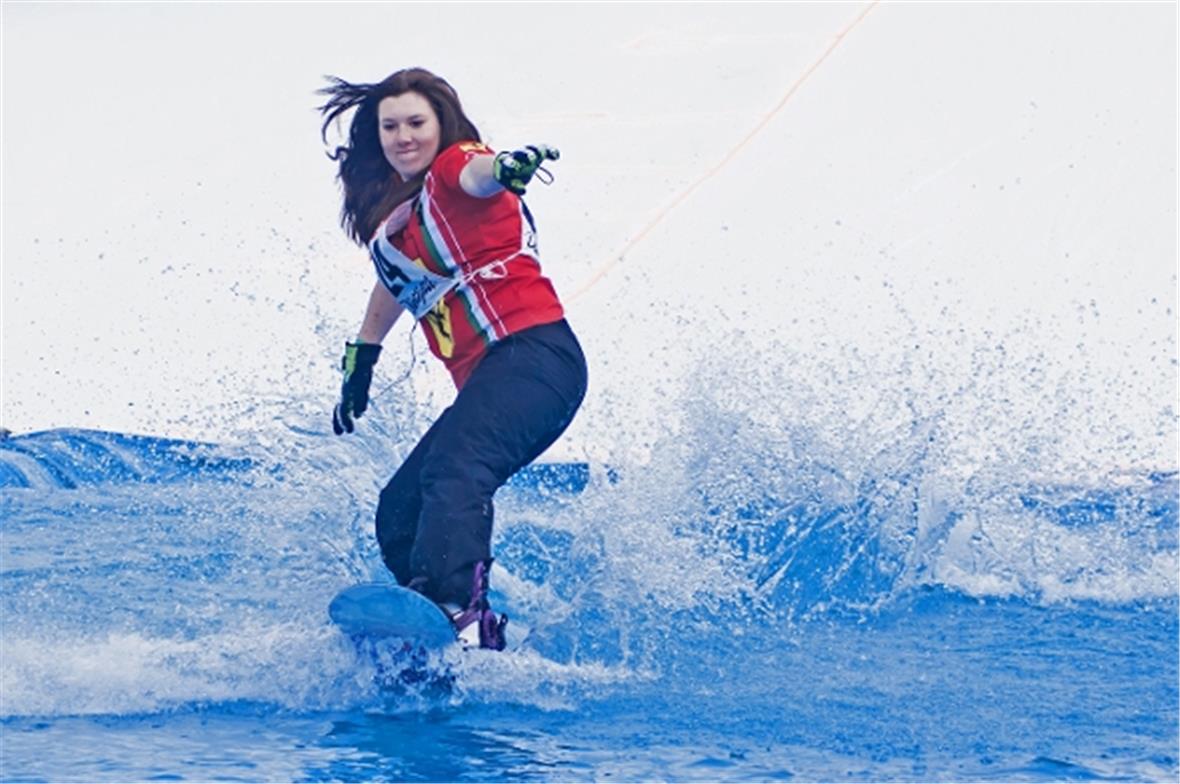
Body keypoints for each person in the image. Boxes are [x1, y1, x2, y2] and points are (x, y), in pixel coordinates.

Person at [318, 68, 587, 650]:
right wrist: (362, 356)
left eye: (416, 122)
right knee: (400, 510)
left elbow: (479, 172)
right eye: (390, 126)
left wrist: (508, 167)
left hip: (536, 357)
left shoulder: (452, 169)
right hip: (500, 374)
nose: (402, 136)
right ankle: (428, 619)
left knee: (456, 472)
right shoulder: (401, 223)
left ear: (441, 126)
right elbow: (393, 285)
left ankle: (462, 616)